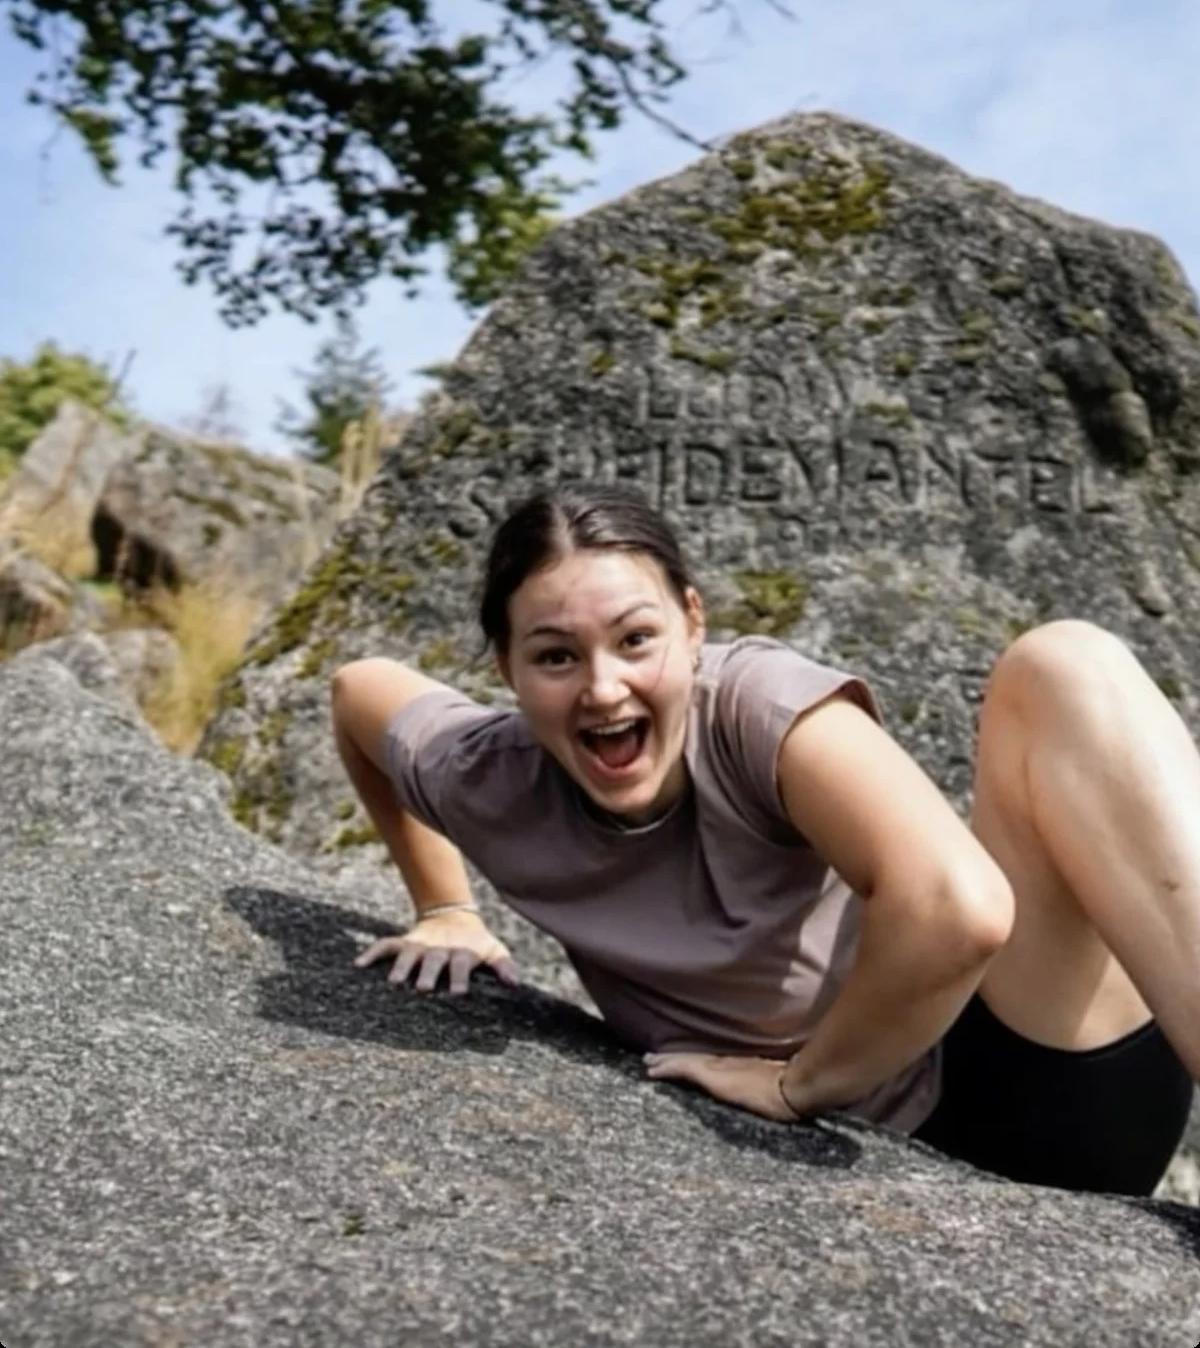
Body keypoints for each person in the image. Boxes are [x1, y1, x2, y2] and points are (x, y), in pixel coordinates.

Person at [331, 482, 1198, 1196]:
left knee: (1064, 664)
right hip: (888, 1152)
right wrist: (444, 907)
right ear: (505, 670)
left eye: (637, 639)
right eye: (555, 656)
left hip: (1045, 1081)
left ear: (694, 623)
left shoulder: (757, 706)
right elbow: (359, 690)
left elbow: (958, 909)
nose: (603, 688)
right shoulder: (488, 772)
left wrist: (801, 1085)